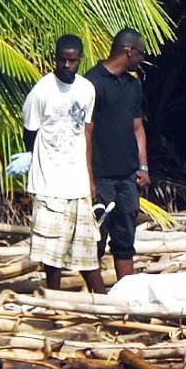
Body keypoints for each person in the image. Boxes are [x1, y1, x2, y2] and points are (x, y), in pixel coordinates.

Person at [22, 35, 105, 293]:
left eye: (72, 60)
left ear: (80, 59)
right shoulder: (41, 91)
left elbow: (86, 133)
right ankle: (54, 297)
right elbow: (30, 134)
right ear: (55, 59)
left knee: (86, 248)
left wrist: (89, 177)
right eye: (62, 60)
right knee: (52, 252)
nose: (66, 65)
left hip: (77, 181)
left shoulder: (86, 89)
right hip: (50, 183)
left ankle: (101, 298)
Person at [86, 28, 151, 282]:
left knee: (125, 238)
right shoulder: (93, 82)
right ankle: (97, 294)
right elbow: (86, 133)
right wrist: (89, 177)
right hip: (101, 175)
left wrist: (143, 166)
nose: (142, 59)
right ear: (129, 51)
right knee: (96, 238)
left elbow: (138, 128)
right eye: (141, 54)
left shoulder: (133, 85)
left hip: (128, 176)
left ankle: (126, 289)